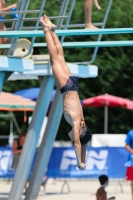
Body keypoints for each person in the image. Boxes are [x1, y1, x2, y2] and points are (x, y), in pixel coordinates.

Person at [40, 15, 92, 170]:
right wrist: (78, 162)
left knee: (60, 58)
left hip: (73, 85)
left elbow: (83, 143)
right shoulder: (77, 123)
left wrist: (83, 160)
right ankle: (46, 29)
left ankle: (52, 29)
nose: (73, 137)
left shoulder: (83, 122)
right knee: (54, 59)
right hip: (67, 88)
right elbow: (78, 142)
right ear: (79, 133)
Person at [125, 129, 133, 200]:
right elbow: (127, 145)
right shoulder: (131, 133)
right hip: (132, 161)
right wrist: (132, 151)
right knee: (132, 181)